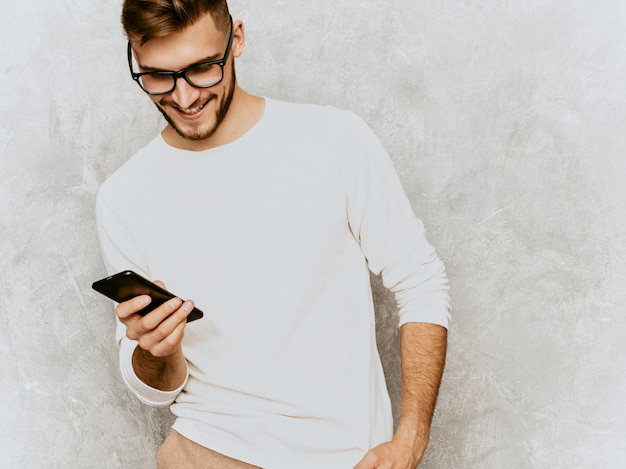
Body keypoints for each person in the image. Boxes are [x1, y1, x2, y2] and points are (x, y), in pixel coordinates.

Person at [95, 0, 451, 467]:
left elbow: (420, 281)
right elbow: (154, 391)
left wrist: (410, 438)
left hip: (342, 456)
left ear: (236, 39)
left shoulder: (335, 140)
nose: (183, 98)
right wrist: (155, 351)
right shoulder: (124, 196)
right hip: (204, 453)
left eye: (202, 68)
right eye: (158, 76)